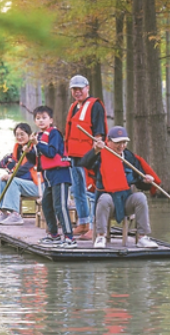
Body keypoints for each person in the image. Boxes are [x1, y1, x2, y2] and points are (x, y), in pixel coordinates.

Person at [81, 126, 159, 249]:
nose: (121, 146)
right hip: (107, 203)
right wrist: (95, 150)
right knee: (105, 198)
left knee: (141, 197)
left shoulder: (129, 157)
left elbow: (139, 182)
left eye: (124, 142)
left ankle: (142, 237)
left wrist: (147, 181)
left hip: (125, 201)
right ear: (109, 141)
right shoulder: (101, 155)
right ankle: (101, 236)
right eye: (118, 143)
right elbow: (85, 163)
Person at [64, 75, 105, 239]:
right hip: (73, 154)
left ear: (87, 87)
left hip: (90, 156)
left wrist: (98, 143)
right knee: (77, 190)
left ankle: (95, 227)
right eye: (74, 89)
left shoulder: (95, 106)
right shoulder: (73, 106)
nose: (77, 92)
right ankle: (83, 222)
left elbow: (99, 128)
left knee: (91, 190)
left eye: (80, 88)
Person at [30, 105, 77, 248]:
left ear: (51, 120)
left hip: (60, 174)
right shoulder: (38, 136)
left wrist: (38, 144)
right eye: (38, 118)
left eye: (44, 118)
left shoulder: (54, 134)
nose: (41, 121)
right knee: (46, 204)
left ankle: (69, 237)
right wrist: (28, 150)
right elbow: (36, 158)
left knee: (60, 206)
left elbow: (51, 153)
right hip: (49, 175)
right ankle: (53, 235)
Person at [0, 123, 41, 226]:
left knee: (12, 180)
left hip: (38, 186)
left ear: (29, 135)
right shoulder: (18, 150)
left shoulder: (33, 149)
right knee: (2, 180)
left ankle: (16, 215)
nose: (19, 137)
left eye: (22, 134)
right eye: (17, 134)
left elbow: (26, 169)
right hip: (24, 185)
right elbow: (4, 164)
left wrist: (12, 176)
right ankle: (4, 212)